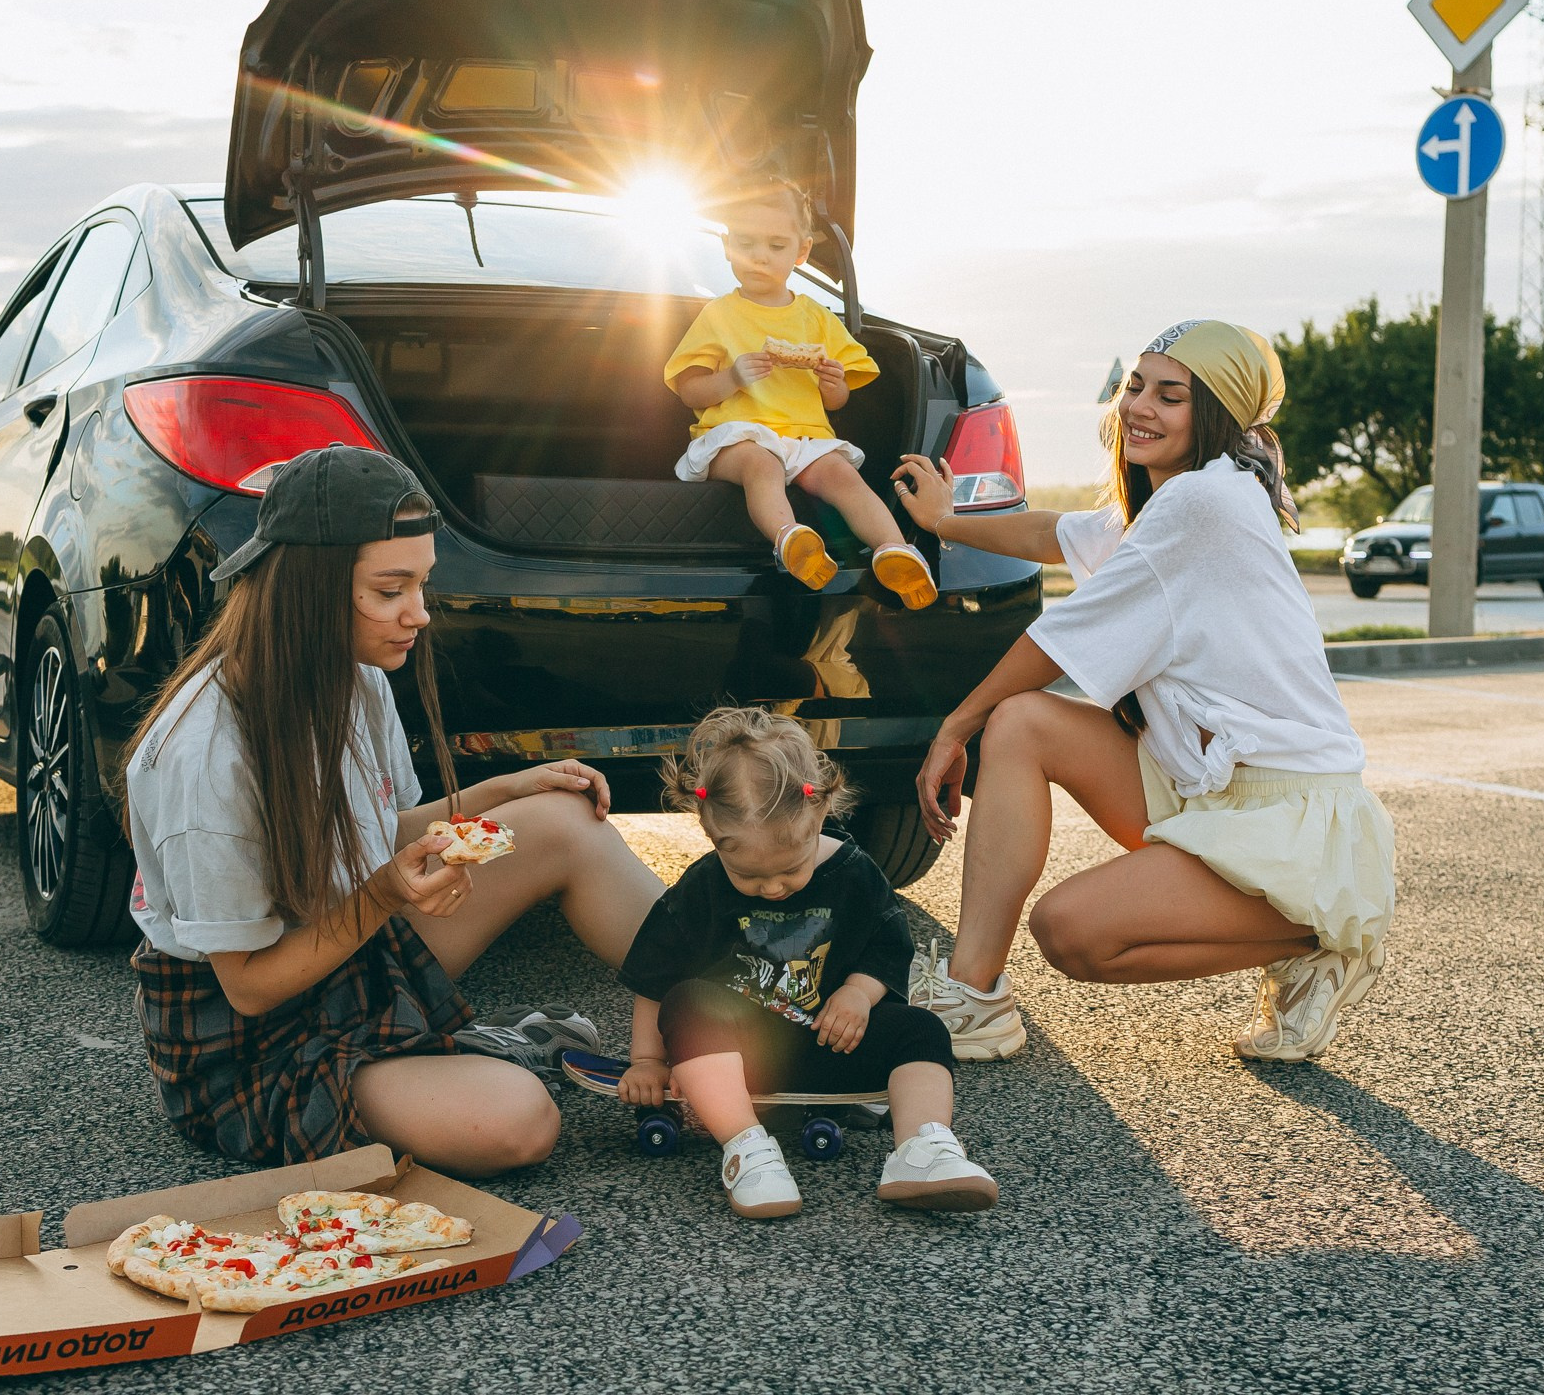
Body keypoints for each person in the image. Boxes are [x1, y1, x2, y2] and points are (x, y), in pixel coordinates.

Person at [122, 444, 663, 1175]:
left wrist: (503, 791)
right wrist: (384, 893)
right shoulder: (206, 756)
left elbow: (378, 834)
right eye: (389, 590)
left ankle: (740, 1007)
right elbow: (247, 986)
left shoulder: (354, 674)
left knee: (565, 820)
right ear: (308, 590)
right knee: (518, 1121)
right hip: (255, 1041)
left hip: (349, 949)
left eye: (421, 584)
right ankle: (466, 1053)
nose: (419, 614)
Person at [889, 319, 1397, 1063]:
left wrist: (955, 726)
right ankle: (974, 995)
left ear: (1216, 414)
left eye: (1171, 395)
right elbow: (1054, 533)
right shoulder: (1176, 502)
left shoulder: (1204, 504)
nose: (1139, 407)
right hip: (1208, 787)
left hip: (1287, 814)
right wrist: (945, 520)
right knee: (1023, 723)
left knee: (1071, 932)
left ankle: (1317, 936)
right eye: (1135, 387)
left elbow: (1060, 638)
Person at [614, 707, 997, 1219]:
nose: (772, 888)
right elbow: (655, 976)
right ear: (710, 835)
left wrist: (859, 993)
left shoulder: (855, 874)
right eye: (749, 877)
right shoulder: (702, 887)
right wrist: (647, 1060)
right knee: (689, 1001)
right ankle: (747, 1147)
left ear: (819, 814)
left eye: (790, 870)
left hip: (831, 1041)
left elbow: (886, 947)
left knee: (922, 1029)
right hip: (733, 1056)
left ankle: (922, 1148)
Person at [662, 180, 938, 610]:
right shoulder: (717, 315)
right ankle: (791, 540)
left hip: (807, 439)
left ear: (802, 251)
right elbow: (688, 390)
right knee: (762, 465)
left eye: (776, 245)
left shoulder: (816, 317)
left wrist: (834, 385)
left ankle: (895, 551)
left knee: (843, 477)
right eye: (746, 243)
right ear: (728, 246)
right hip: (735, 437)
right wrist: (731, 378)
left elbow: (837, 401)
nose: (759, 256)